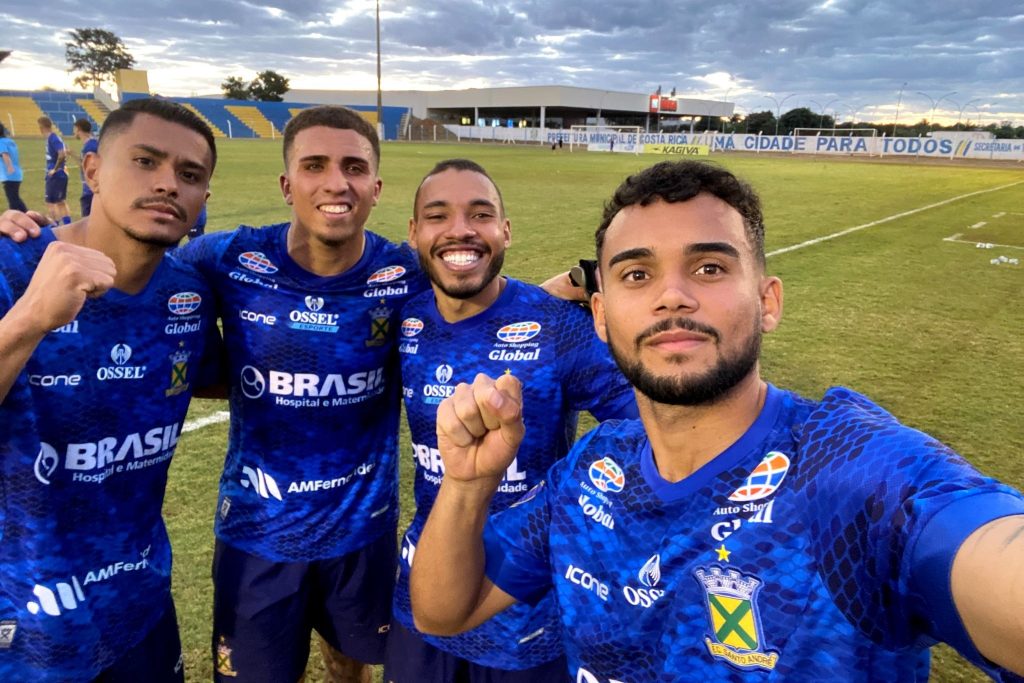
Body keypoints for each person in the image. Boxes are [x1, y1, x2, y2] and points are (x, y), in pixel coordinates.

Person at [410, 160, 1024, 681]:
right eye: (636, 273)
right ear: (599, 316)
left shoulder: (852, 471)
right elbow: (443, 611)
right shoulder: (590, 471)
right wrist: (467, 485)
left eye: (708, 268)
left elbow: (982, 550)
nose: (671, 295)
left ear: (767, 300)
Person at [174, 105, 429, 683]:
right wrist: (39, 235)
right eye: (315, 165)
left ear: (376, 187)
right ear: (288, 185)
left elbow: (479, 312)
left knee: (351, 662)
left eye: (354, 167)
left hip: (363, 531)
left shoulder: (405, 273)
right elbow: (137, 260)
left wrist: (568, 286)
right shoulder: (230, 257)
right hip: (257, 533)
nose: (336, 183)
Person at [384, 159, 637, 682]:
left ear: (505, 230)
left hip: (525, 617)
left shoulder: (559, 327)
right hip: (422, 596)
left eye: (481, 214)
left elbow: (654, 427)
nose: (460, 230)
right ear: (414, 233)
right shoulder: (404, 319)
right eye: (438, 216)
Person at [0, 98, 220, 681]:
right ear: (92, 169)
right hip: (22, 632)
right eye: (145, 161)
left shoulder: (189, 297)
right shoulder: (10, 268)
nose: (168, 185)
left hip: (140, 610)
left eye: (190, 175)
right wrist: (27, 321)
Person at [37, 116, 71, 225]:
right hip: (61, 174)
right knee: (60, 202)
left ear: (42, 127)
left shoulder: (53, 138)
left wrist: (54, 170)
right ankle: (67, 225)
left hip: (56, 175)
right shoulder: (54, 138)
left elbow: (61, 154)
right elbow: (65, 152)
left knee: (51, 203)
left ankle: (55, 226)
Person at [71, 119, 100, 217]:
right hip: (93, 187)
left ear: (79, 129)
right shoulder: (93, 143)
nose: (73, 132)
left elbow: (86, 166)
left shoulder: (89, 146)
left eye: (74, 129)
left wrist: (72, 155)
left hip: (90, 188)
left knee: (87, 219)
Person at [0, 124, 28, 212]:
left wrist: (9, 167)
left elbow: (5, 154)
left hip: (9, 175)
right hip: (17, 173)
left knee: (13, 200)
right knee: (14, 198)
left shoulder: (1, 142)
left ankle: (27, 216)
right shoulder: (10, 141)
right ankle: (20, 216)